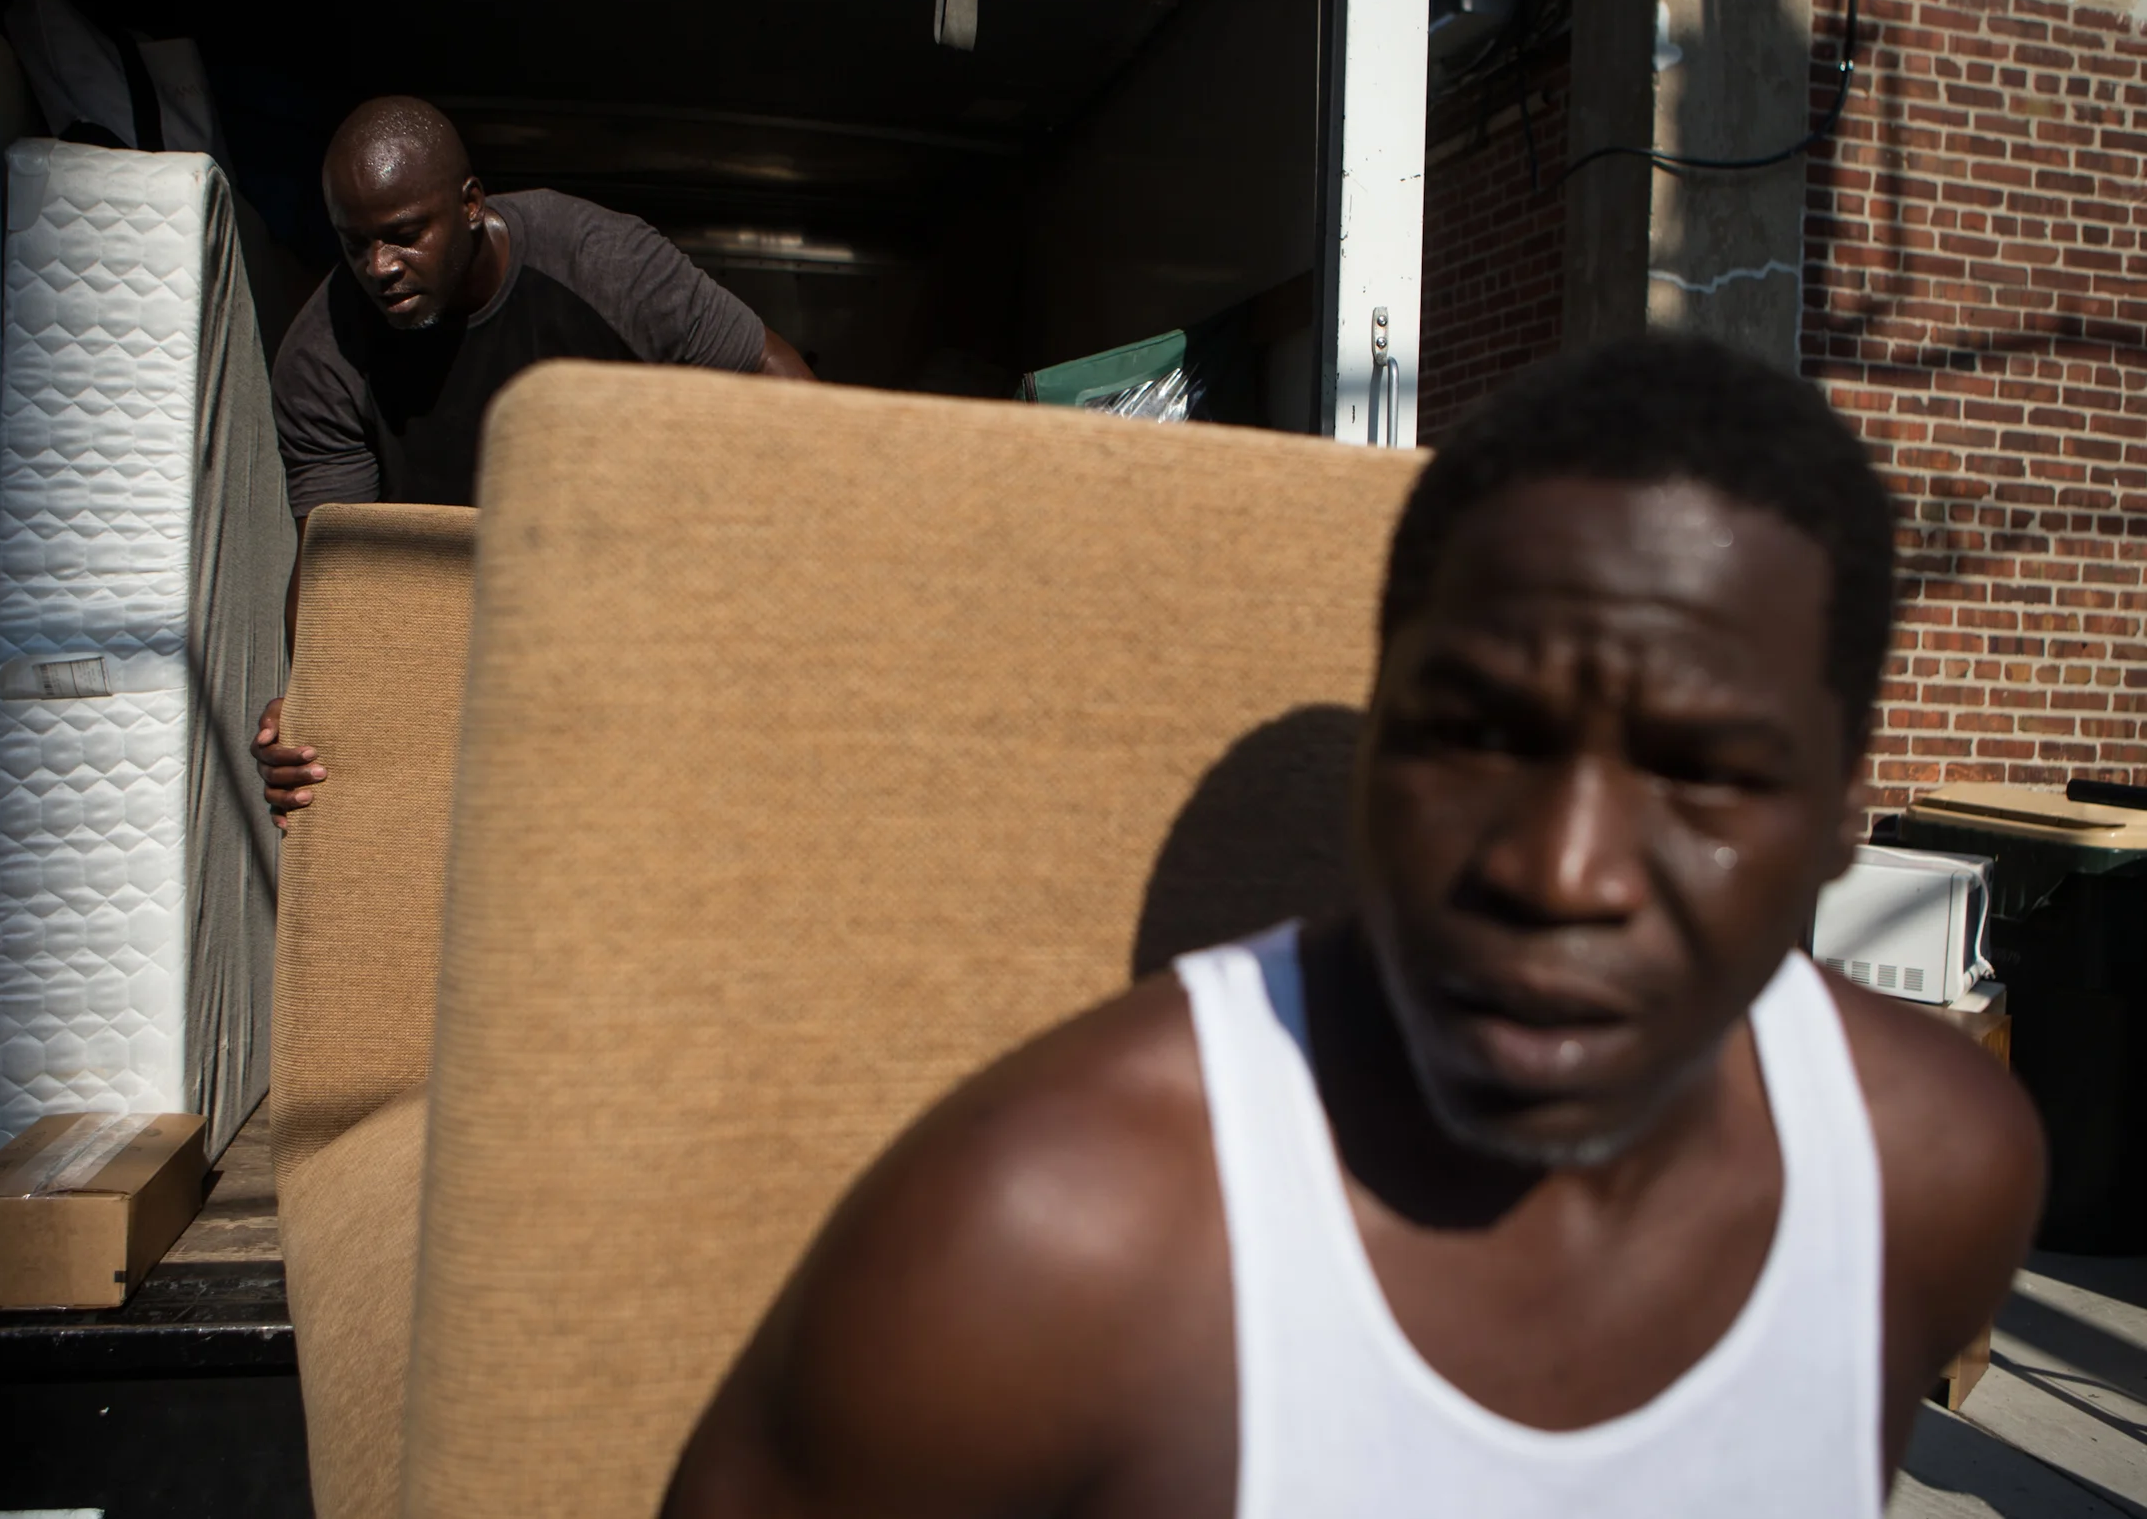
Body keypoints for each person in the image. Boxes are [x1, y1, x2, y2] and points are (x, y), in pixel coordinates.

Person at [662, 338, 2044, 1517]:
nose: (1562, 870)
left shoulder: (1927, 1174)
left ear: (1847, 804)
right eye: (1472, 737)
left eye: (1703, 769)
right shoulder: (1041, 1241)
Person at [254, 95, 814, 822]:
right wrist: (313, 708)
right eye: (354, 243)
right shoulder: (321, 356)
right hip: (466, 622)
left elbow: (782, 385)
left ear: (470, 205)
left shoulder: (599, 260)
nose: (379, 267)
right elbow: (339, 567)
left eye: (402, 235)